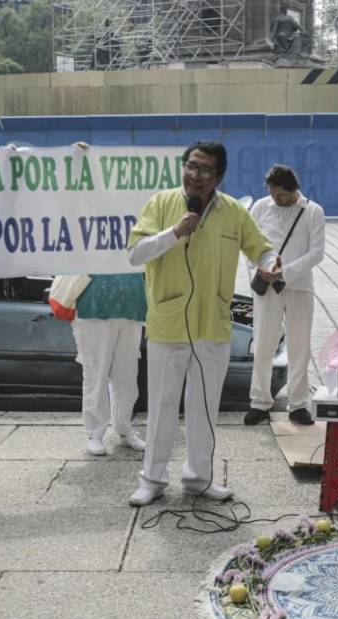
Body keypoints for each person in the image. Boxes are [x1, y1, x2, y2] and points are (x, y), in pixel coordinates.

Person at [126, 141, 277, 506]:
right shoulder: (161, 203)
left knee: (205, 407)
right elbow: (135, 253)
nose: (195, 174)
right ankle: (152, 480)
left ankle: (199, 478)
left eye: (205, 169)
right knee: (162, 406)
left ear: (218, 176)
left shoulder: (233, 211)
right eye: (190, 165)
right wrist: (174, 233)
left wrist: (271, 264)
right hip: (168, 324)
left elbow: (262, 248)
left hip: (213, 325)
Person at [244, 164, 326, 426]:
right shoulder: (260, 207)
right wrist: (261, 267)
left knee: (299, 346)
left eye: (281, 195)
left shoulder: (313, 211)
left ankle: (298, 404)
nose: (276, 199)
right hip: (267, 286)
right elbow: (249, 243)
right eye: (273, 194)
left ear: (294, 189)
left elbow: (317, 252)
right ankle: (259, 401)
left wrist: (285, 272)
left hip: (299, 286)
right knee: (263, 343)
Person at [71, 272, 148, 456]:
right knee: (96, 375)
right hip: (94, 305)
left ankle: (124, 428)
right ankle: (94, 434)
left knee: (127, 377)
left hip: (131, 305)